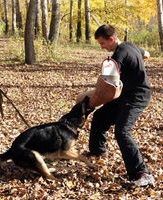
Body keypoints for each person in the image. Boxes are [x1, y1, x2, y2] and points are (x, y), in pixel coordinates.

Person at [83, 24, 154, 187]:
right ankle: (97, 153)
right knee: (100, 117)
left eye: (103, 43)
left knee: (122, 131)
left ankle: (142, 173)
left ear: (112, 39)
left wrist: (91, 102)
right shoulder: (130, 46)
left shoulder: (118, 56)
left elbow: (106, 89)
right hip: (125, 94)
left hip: (137, 96)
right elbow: (146, 54)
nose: (102, 47)